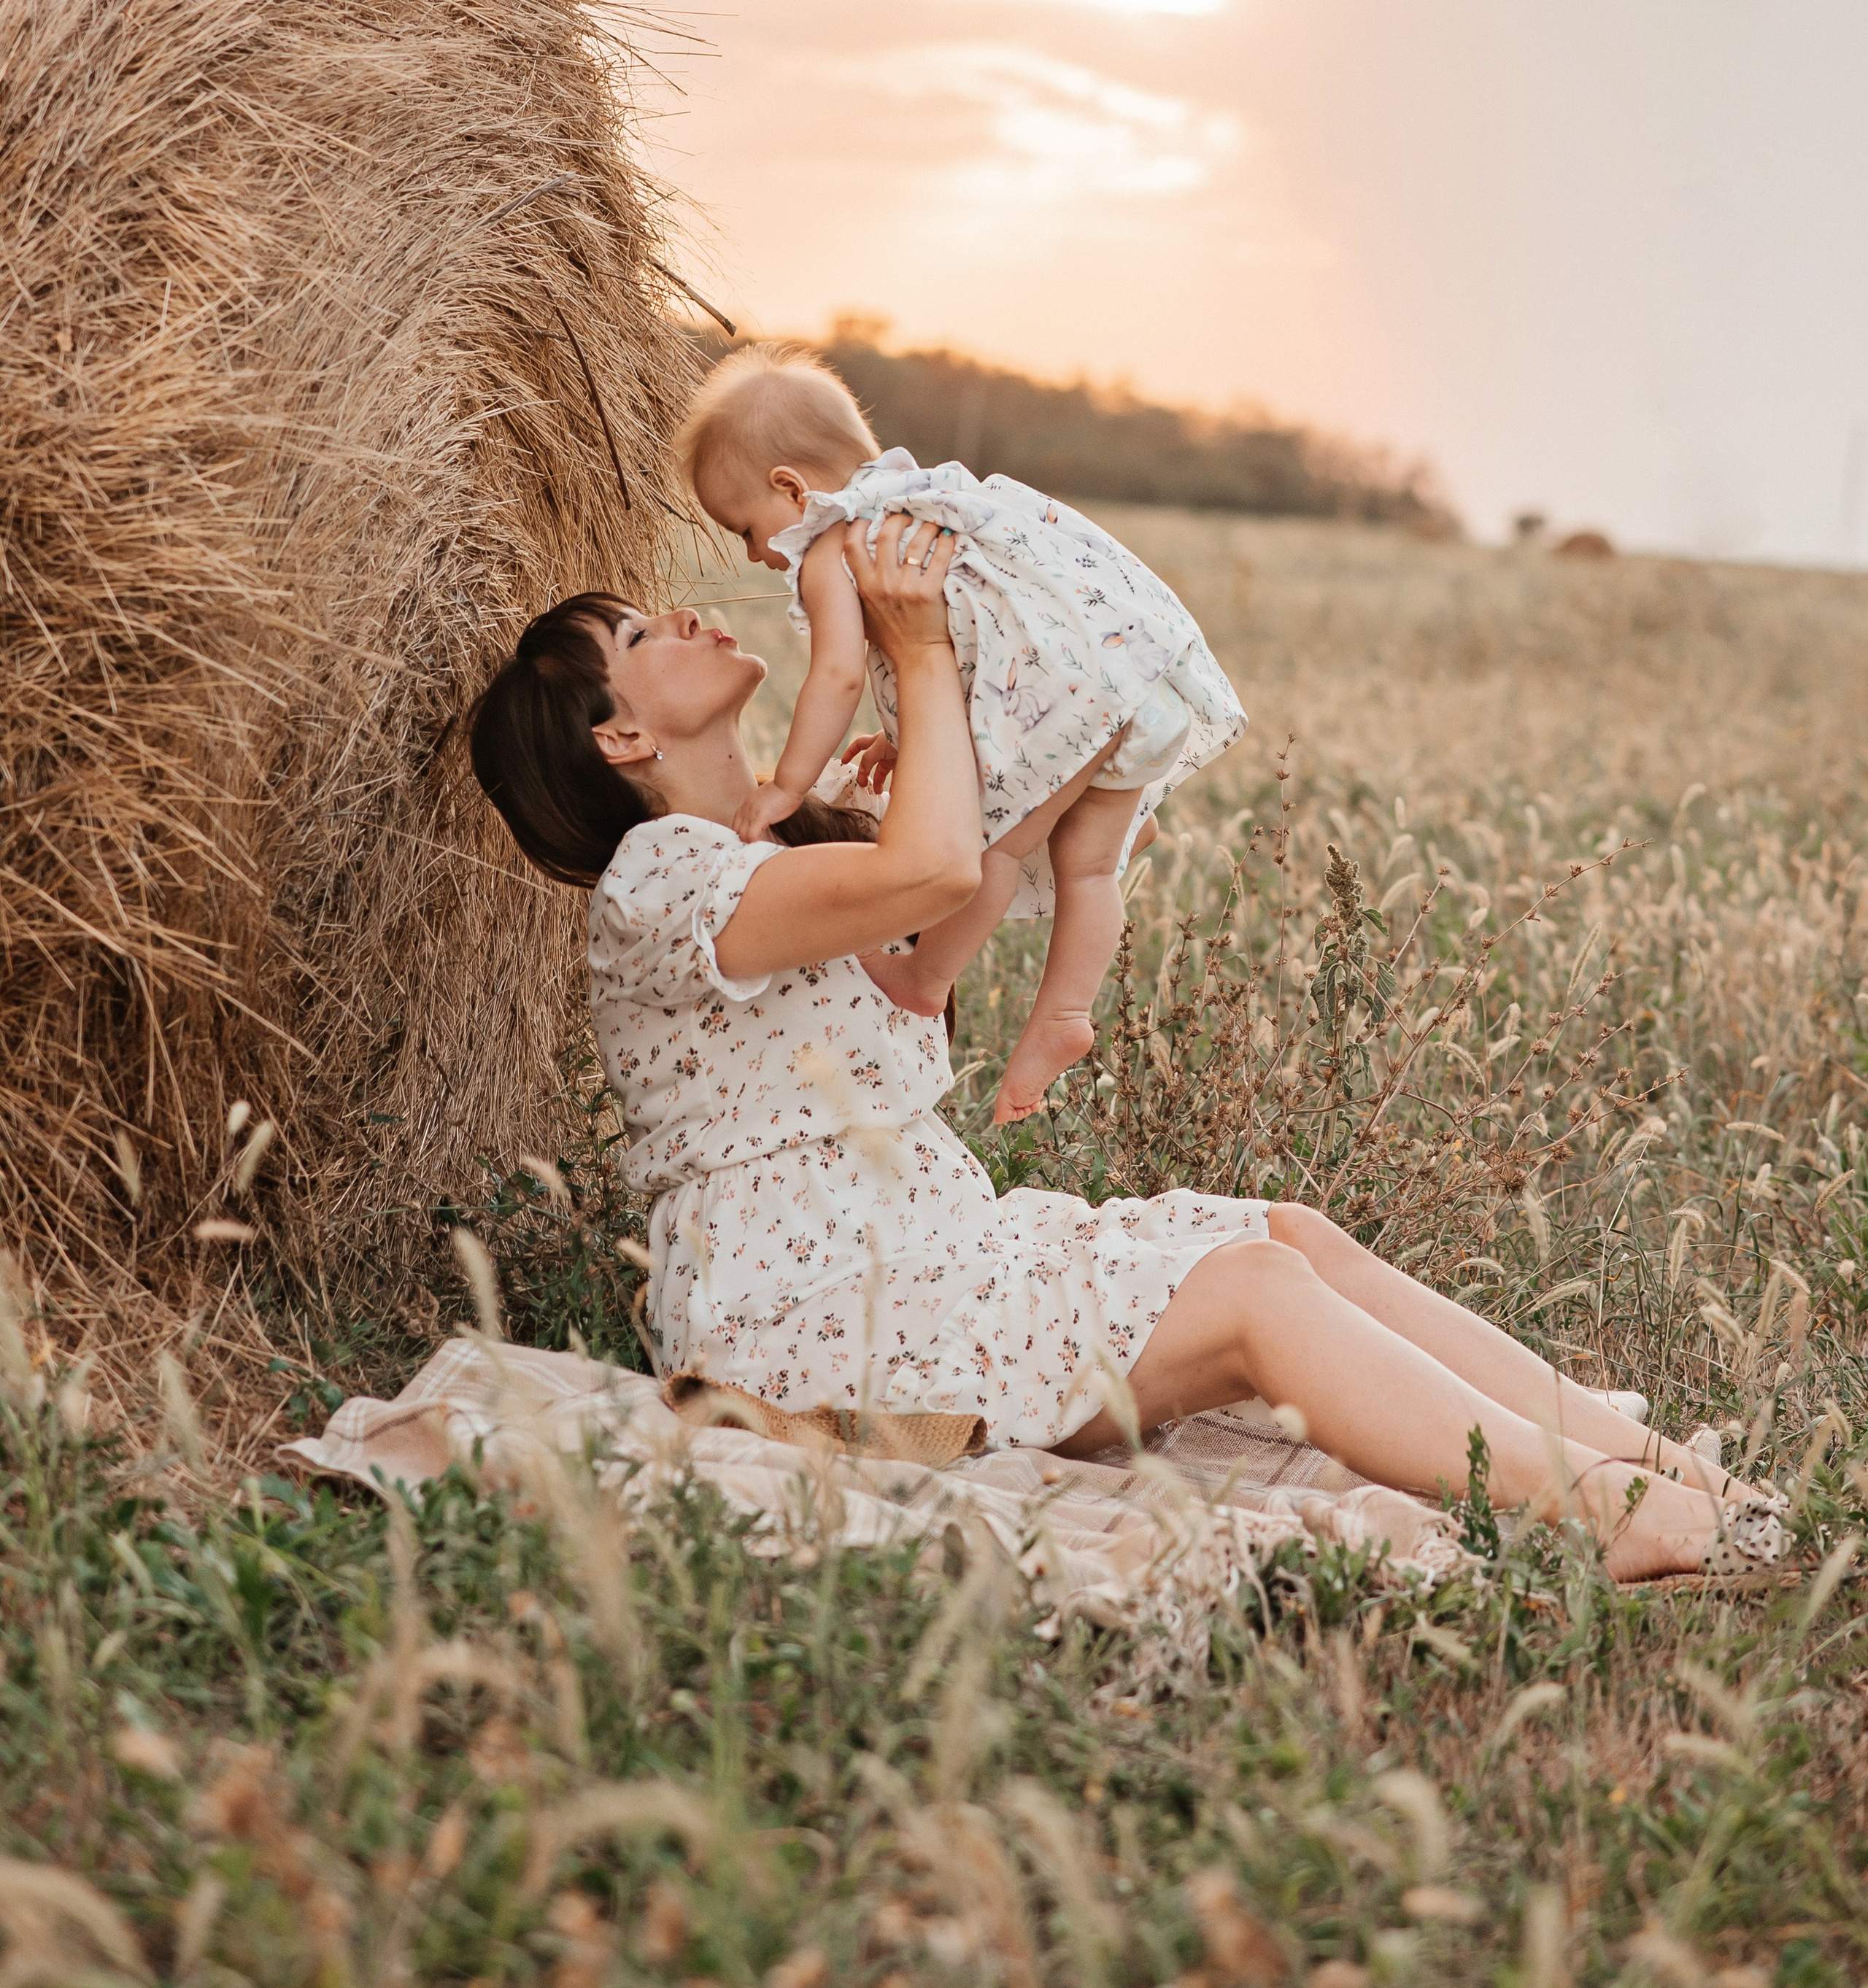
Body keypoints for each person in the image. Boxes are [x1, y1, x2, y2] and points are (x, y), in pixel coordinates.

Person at [468, 510, 1783, 1583]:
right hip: (814, 1343)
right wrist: (914, 647)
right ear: (621, 736)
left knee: (1287, 1238)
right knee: (1256, 1303)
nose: (691, 616)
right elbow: (929, 873)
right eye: (642, 633)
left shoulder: (772, 848)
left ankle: (1668, 1476)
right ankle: (1615, 1523)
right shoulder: (664, 879)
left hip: (931, 1260)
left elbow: (931, 958)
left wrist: (1029, 709)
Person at [671, 344, 1246, 1119]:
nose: (752, 552)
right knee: (1090, 869)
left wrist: (789, 785)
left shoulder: (832, 539)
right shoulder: (929, 502)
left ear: (790, 487)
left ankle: (924, 978)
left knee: (993, 848)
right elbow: (985, 646)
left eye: (744, 527)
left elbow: (838, 675)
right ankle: (1065, 1014)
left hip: (1067, 706)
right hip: (1128, 685)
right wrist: (908, 737)